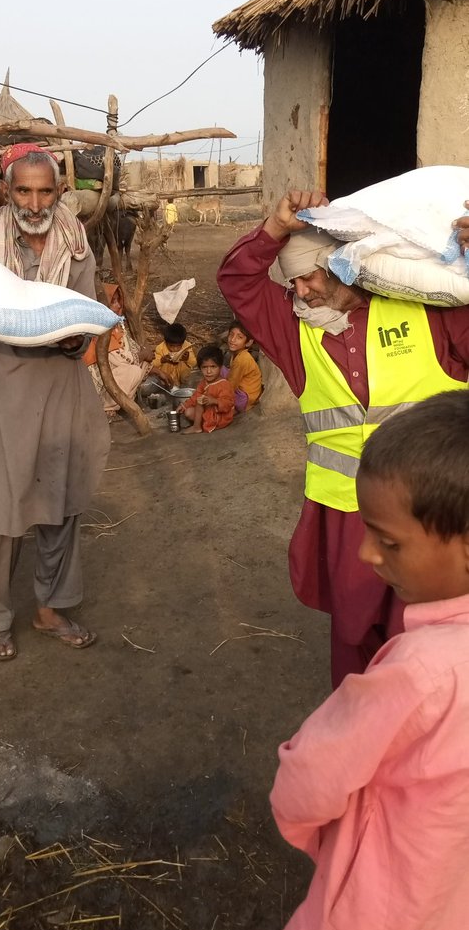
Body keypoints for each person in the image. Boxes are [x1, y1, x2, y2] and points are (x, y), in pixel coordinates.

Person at [238, 389, 469, 930]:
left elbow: (307, 779)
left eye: (389, 543)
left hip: (383, 926)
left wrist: (326, 836)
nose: (367, 554)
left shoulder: (419, 671)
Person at [218, 190, 469, 686]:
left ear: (341, 266)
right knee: (355, 635)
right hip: (349, 514)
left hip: (436, 511)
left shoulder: (429, 311)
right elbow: (237, 280)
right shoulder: (296, 332)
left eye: (310, 276)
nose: (302, 292)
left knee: (431, 632)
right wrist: (275, 227)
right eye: (292, 283)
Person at [0, 143, 109, 661]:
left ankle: (51, 607)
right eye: (23, 191)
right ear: (5, 191)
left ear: (59, 191)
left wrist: (71, 339)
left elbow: (87, 312)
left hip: (59, 388)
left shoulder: (74, 242)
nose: (35, 204)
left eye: (44, 191)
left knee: (61, 502)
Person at [83, 282, 154, 417]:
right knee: (133, 370)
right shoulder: (100, 329)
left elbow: (134, 349)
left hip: (115, 373)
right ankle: (108, 406)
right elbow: (121, 360)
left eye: (118, 301)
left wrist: (148, 359)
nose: (118, 305)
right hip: (99, 387)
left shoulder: (118, 326)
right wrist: (142, 354)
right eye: (113, 302)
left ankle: (121, 403)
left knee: (143, 364)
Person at [178, 345, 235, 433]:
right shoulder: (203, 383)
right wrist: (184, 405)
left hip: (220, 417)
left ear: (220, 367)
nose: (208, 372)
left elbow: (228, 404)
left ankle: (197, 427)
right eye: (204, 367)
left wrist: (214, 401)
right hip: (209, 412)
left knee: (199, 401)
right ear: (200, 368)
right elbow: (195, 395)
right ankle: (202, 423)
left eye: (213, 367)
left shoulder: (224, 384)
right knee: (188, 412)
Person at [224, 319, 262, 412]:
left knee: (218, 372)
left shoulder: (242, 359)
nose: (233, 340)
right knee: (219, 370)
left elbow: (231, 384)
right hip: (246, 394)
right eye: (231, 334)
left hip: (244, 399)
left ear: (248, 342)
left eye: (239, 337)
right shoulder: (238, 354)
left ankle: (232, 409)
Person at [150, 322, 197, 388]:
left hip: (182, 377)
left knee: (186, 371)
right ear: (166, 342)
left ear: (183, 343)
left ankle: (184, 385)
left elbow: (194, 363)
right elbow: (153, 364)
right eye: (171, 346)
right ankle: (165, 385)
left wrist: (187, 359)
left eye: (178, 346)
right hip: (166, 377)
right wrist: (162, 360)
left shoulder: (187, 346)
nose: (175, 349)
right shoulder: (160, 348)